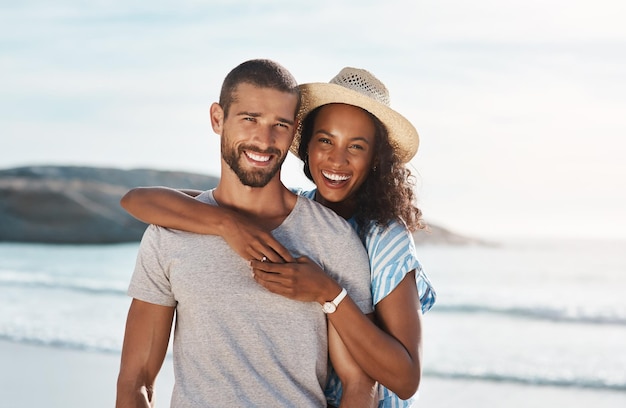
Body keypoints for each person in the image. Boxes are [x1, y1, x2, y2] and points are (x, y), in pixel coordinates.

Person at [121, 67, 436, 407]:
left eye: (279, 125)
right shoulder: (180, 226)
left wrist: (329, 293)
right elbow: (145, 200)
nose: (264, 138)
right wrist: (227, 223)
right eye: (250, 119)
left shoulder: (366, 238)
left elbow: (383, 382)